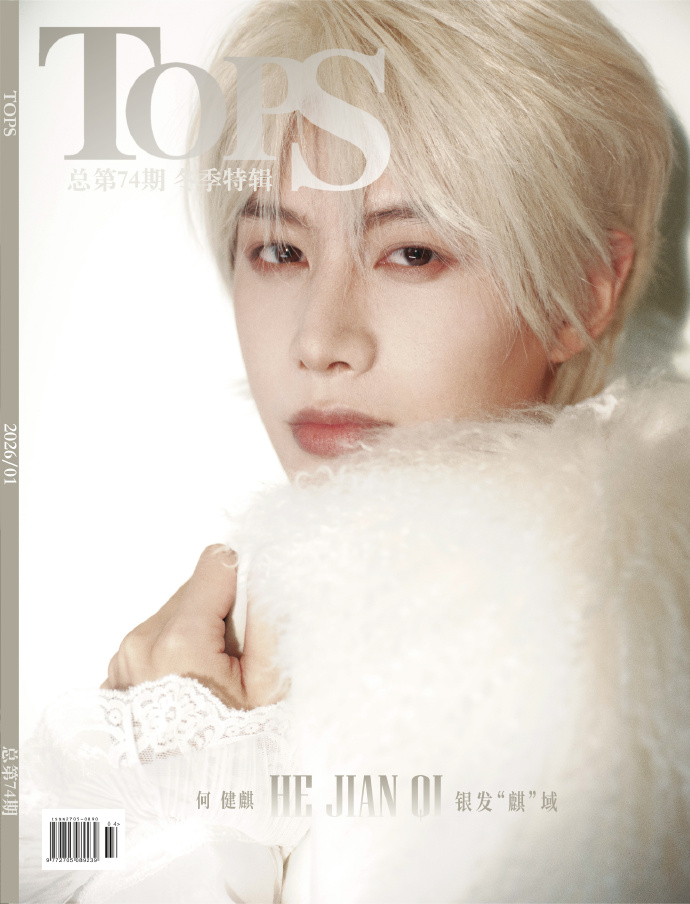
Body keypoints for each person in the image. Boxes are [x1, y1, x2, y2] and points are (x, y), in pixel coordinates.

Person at [20, 1, 690, 902]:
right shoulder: (237, 624)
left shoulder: (607, 666)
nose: (319, 339)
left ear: (584, 290)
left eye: (412, 254)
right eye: (279, 250)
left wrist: (184, 794)